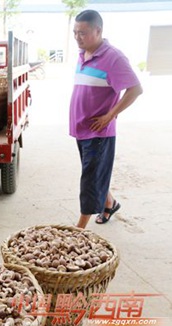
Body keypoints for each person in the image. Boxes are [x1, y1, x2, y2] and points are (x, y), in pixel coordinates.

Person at [70, 10, 142, 229]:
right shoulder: (84, 54)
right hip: (82, 128)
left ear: (98, 30)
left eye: (82, 33)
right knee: (95, 171)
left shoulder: (113, 57)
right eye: (74, 32)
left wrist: (111, 115)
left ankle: (79, 229)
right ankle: (110, 204)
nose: (77, 37)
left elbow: (135, 89)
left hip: (98, 132)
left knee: (90, 179)